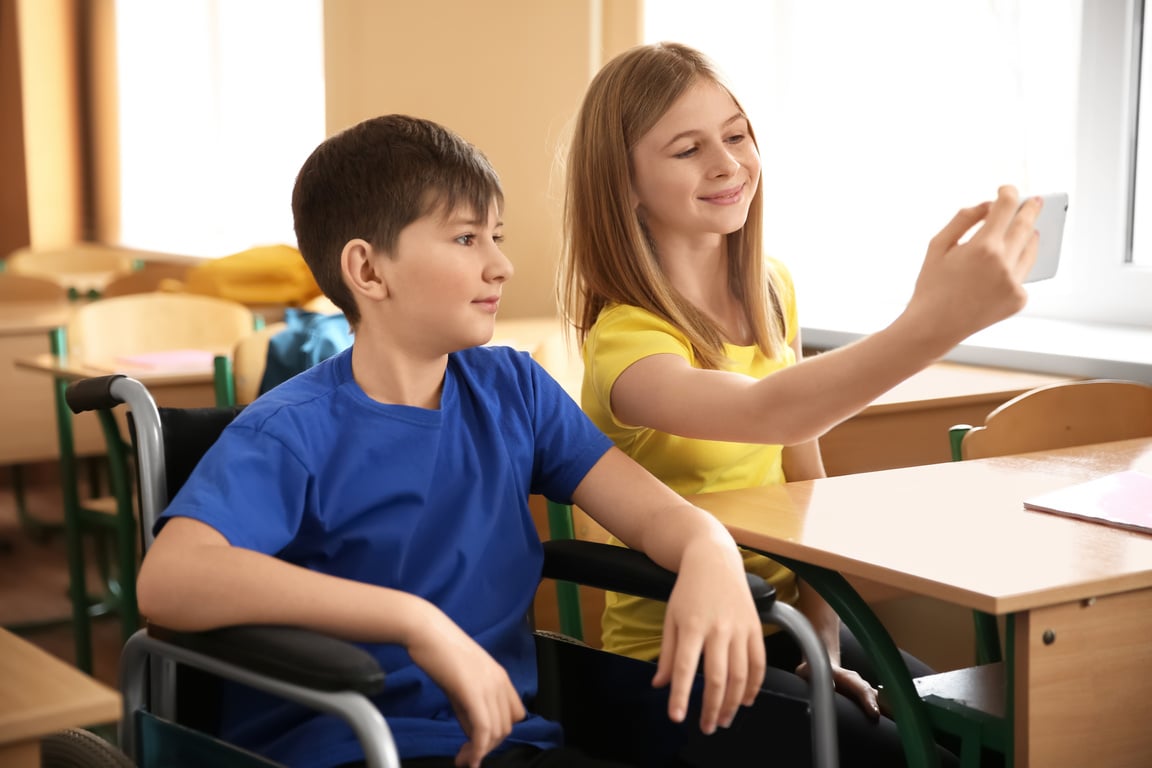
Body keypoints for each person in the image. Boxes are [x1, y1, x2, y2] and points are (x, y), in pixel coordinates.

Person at [135, 114, 772, 768]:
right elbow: (169, 579)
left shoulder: (515, 390)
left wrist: (710, 551)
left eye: (496, 236)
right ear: (368, 270)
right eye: (466, 239)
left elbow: (656, 512)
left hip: (511, 743)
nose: (501, 264)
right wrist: (416, 622)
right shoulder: (292, 430)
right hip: (346, 746)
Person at [559, 41, 1042, 766]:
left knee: (967, 730)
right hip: (681, 656)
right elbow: (772, 412)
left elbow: (804, 485)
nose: (727, 164)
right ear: (622, 184)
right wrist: (933, 323)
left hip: (791, 618)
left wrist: (820, 640)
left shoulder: (773, 289)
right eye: (687, 149)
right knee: (914, 755)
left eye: (736, 134)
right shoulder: (625, 343)